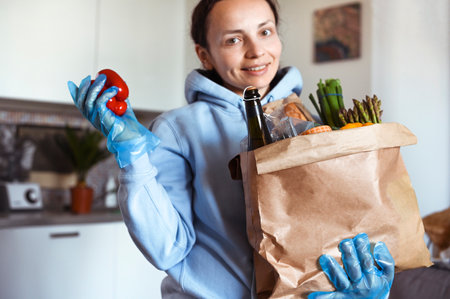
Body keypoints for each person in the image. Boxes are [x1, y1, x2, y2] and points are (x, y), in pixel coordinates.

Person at [68, 0, 395, 298]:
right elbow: (168, 248)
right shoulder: (177, 129)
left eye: (265, 31)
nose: (256, 51)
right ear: (205, 55)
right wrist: (134, 156)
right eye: (234, 39)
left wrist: (367, 285)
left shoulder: (316, 123)